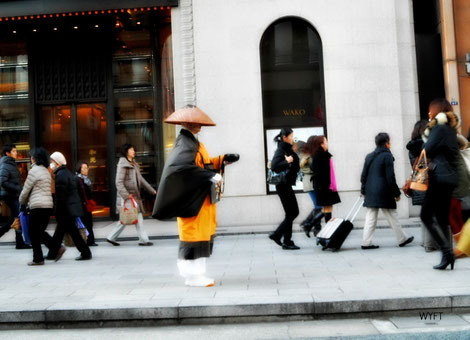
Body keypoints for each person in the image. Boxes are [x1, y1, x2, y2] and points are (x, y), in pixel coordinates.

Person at [153, 105, 239, 287]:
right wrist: (210, 175)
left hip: (201, 200)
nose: (198, 125)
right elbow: (181, 168)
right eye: (194, 122)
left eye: (199, 122)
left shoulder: (194, 143)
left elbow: (203, 165)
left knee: (201, 236)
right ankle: (192, 276)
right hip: (192, 200)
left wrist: (222, 160)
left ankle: (198, 274)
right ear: (186, 123)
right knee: (193, 237)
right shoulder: (185, 143)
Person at [421, 98, 459, 270]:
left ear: (436, 111)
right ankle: (447, 254)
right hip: (449, 178)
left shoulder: (439, 129)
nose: (428, 113)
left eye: (430, 110)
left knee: (426, 215)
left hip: (439, 178)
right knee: (442, 218)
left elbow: (426, 150)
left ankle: (446, 252)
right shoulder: (450, 129)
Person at [360, 133, 414, 249]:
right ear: (387, 143)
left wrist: (363, 191)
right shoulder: (387, 156)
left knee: (371, 216)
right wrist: (396, 193)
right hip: (383, 191)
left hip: (371, 191)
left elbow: (363, 176)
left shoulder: (369, 156)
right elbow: (390, 177)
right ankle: (402, 239)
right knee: (391, 215)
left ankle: (366, 242)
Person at [107, 144, 156, 246]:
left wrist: (151, 190)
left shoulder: (133, 164)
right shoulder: (123, 164)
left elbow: (141, 180)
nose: (134, 151)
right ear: (126, 151)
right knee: (131, 217)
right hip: (128, 197)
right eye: (131, 150)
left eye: (134, 149)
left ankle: (111, 237)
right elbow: (118, 182)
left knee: (130, 218)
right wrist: (126, 195)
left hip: (134, 197)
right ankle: (143, 240)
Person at [47, 152, 92, 261]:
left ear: (57, 163)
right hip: (69, 209)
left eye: (52, 161)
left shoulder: (60, 175)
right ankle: (53, 253)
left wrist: (57, 211)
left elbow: (61, 196)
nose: (51, 164)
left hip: (65, 210)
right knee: (65, 233)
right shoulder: (66, 173)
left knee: (68, 233)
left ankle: (85, 253)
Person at [406, 120, 438, 252]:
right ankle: (430, 244)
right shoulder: (426, 145)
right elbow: (429, 164)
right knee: (432, 215)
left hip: (419, 182)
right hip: (429, 181)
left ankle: (425, 241)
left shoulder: (411, 147)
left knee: (426, 213)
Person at [18, 148, 54, 265]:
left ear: (35, 158)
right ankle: (52, 250)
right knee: (39, 232)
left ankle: (39, 258)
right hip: (48, 205)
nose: (31, 158)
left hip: (37, 206)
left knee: (34, 233)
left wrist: (21, 201)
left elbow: (25, 190)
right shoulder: (46, 171)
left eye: (31, 156)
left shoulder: (34, 171)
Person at [268, 127, 301, 250]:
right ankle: (278, 235)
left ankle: (285, 239)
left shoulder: (286, 148)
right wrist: (287, 161)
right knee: (293, 212)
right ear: (285, 137)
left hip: (286, 184)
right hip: (283, 185)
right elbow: (275, 166)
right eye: (291, 136)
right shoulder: (281, 149)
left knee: (291, 213)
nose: (293, 138)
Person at [0, 143, 31, 249]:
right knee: (18, 218)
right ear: (7, 153)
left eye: (15, 151)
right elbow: (3, 182)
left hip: (13, 195)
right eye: (13, 151)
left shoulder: (11, 164)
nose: (16, 153)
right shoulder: (5, 165)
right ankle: (19, 243)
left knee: (16, 218)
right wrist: (18, 188)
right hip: (10, 195)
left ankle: (19, 242)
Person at [310, 136, 340, 223]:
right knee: (327, 208)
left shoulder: (322, 155)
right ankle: (313, 224)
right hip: (324, 187)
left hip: (326, 186)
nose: (327, 143)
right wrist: (326, 187)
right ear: (321, 144)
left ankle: (314, 224)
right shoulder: (319, 156)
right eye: (325, 141)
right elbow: (319, 173)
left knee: (328, 208)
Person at [299, 136, 323, 237]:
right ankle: (309, 224)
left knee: (318, 206)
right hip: (311, 183)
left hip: (312, 182)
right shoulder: (307, 154)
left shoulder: (310, 153)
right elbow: (309, 168)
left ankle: (311, 226)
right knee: (319, 206)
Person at [76, 162, 97, 246]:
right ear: (79, 169)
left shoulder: (86, 179)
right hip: (81, 205)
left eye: (87, 168)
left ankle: (91, 241)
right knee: (84, 224)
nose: (86, 169)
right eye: (84, 168)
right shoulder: (77, 179)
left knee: (89, 223)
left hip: (87, 205)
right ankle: (87, 241)